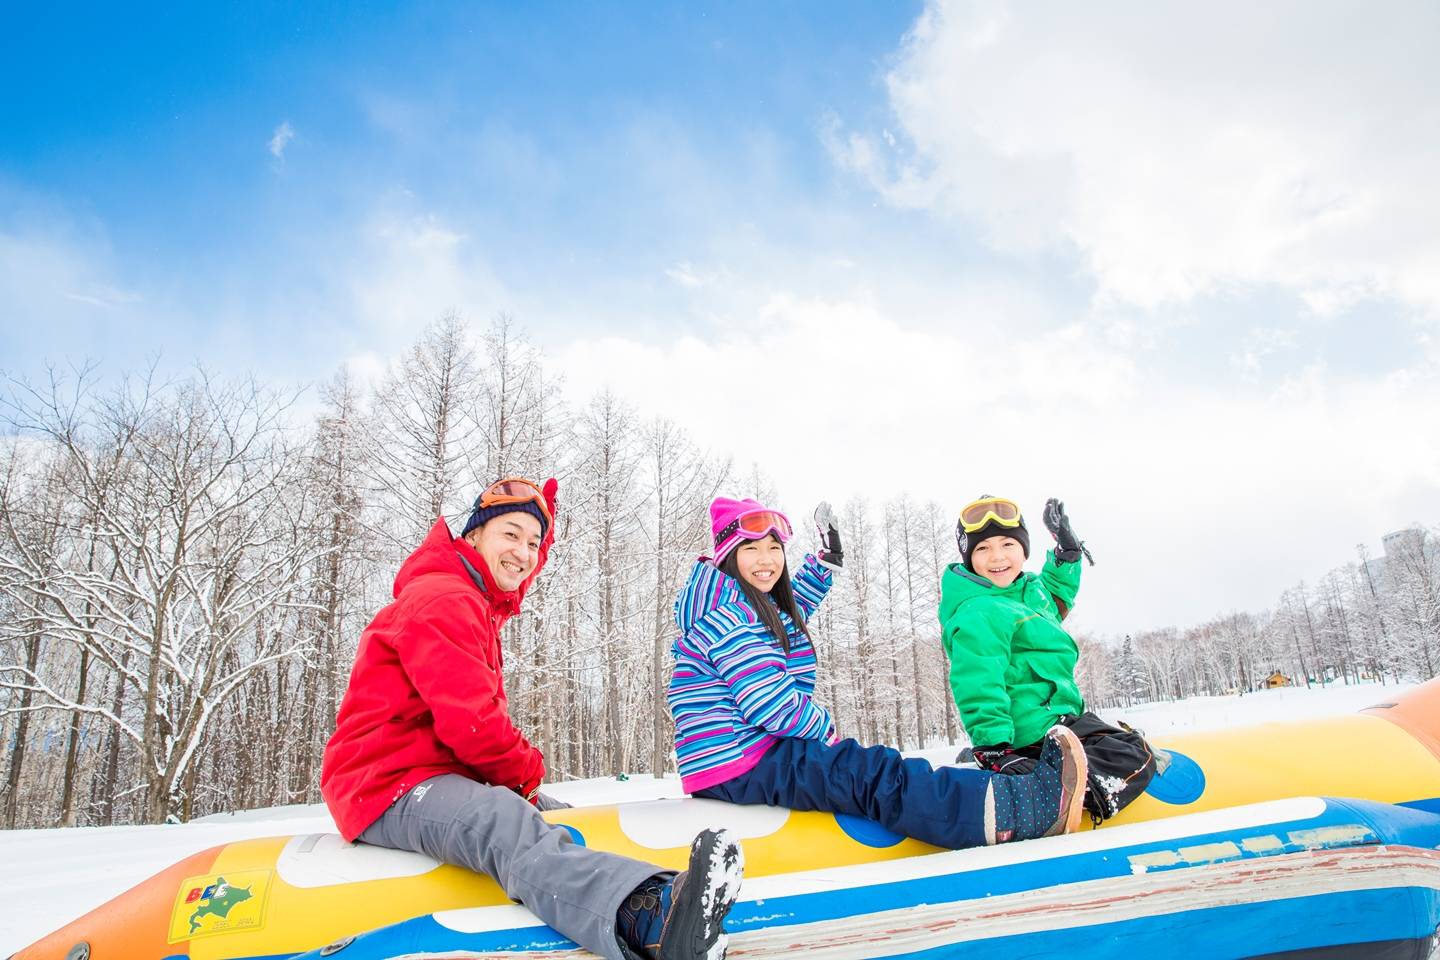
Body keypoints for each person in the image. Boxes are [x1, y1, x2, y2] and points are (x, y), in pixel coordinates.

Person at [321, 477, 744, 960]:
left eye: (533, 542)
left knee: (560, 813)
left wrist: (547, 526)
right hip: (385, 783)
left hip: (434, 772)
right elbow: (473, 725)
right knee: (503, 819)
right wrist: (525, 775)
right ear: (473, 535)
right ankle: (648, 918)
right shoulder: (445, 601)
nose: (523, 552)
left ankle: (671, 891)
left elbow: (518, 565)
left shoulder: (467, 596)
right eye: (510, 534)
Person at [668, 495, 1089, 850]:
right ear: (728, 556)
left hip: (740, 756)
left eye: (774, 548)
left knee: (863, 767)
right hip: (744, 760)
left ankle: (1002, 796)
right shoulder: (729, 619)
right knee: (875, 774)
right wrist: (827, 736)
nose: (767, 560)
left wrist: (825, 564)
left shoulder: (734, 605)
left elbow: (787, 613)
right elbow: (772, 708)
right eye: (752, 549)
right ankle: (1012, 811)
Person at [942, 495, 1157, 822]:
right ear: (969, 557)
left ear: (1023, 549)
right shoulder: (980, 610)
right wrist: (994, 746)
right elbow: (978, 679)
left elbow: (1053, 596)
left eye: (1007, 545)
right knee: (1135, 754)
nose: (997, 557)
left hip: (1058, 720)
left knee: (1115, 740)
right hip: (1032, 731)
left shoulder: (1024, 592)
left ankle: (1051, 770)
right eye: (982, 549)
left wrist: (1067, 553)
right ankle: (1068, 791)